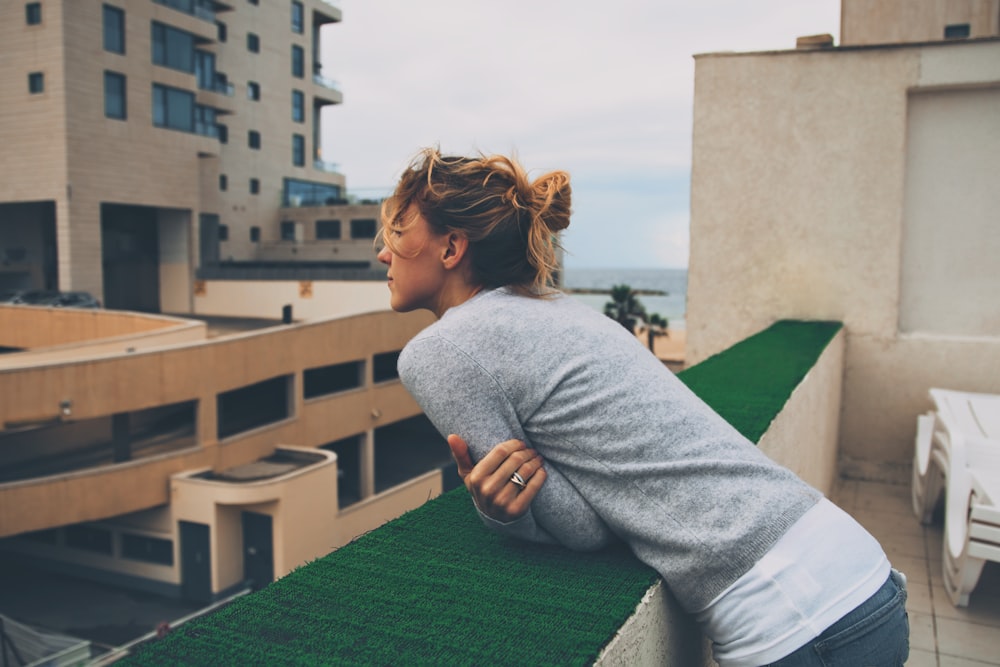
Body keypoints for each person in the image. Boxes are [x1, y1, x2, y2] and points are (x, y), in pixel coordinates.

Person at [376, 148, 909, 667]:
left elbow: (582, 528)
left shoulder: (438, 351)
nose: (383, 252)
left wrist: (499, 511)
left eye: (397, 233)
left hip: (800, 621)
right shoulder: (561, 308)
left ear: (451, 249)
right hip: (859, 571)